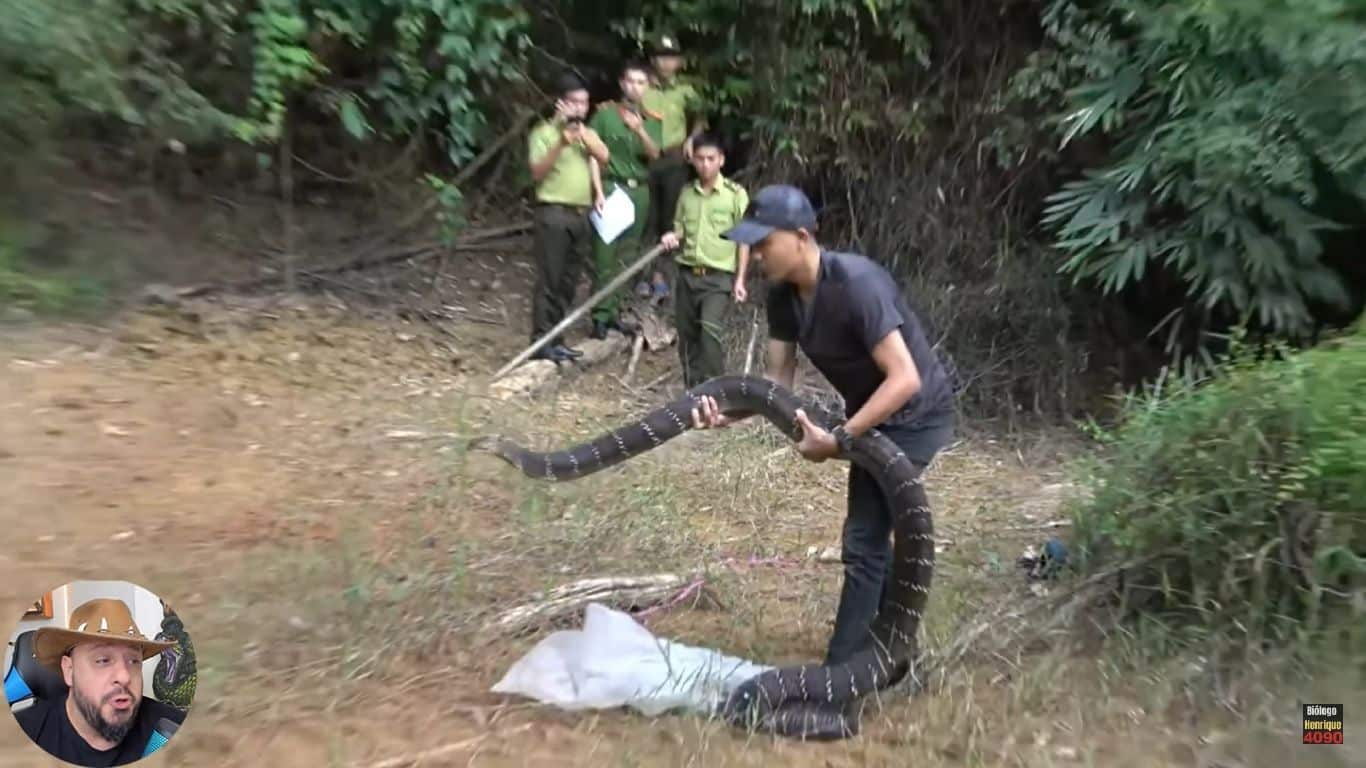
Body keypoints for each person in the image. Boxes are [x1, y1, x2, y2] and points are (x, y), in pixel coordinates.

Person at [689, 184, 956, 667]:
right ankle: (893, 648)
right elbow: (775, 383)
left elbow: (905, 378)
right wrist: (729, 415)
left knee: (863, 539)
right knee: (872, 533)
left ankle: (845, 668)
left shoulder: (856, 283)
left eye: (763, 243)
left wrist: (841, 439)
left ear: (801, 236)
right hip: (872, 415)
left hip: (916, 416)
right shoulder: (783, 299)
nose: (755, 255)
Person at [16, 598, 186, 766]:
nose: (124, 677)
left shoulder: (175, 731)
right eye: (103, 660)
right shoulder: (24, 734)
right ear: (69, 670)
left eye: (134, 661)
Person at [527, 71, 610, 362]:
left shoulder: (586, 135)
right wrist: (561, 142)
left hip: (580, 214)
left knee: (569, 281)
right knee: (550, 279)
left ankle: (556, 338)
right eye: (573, 102)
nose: (579, 108)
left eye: (584, 103)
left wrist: (582, 134)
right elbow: (537, 173)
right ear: (560, 103)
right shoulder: (543, 133)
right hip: (553, 212)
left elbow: (604, 157)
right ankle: (541, 342)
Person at [658, 133, 750, 388]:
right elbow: (680, 230)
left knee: (710, 333)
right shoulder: (687, 194)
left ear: (721, 160)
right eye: (700, 159)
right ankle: (694, 392)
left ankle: (717, 393)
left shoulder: (735, 195)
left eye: (711, 159)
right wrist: (671, 237)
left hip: (718, 277)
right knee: (687, 337)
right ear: (693, 161)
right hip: (687, 274)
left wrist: (740, 280)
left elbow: (745, 239)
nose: (705, 165)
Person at [587, 61, 664, 340]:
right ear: (622, 83)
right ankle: (599, 317)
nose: (635, 87)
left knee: (627, 257)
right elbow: (593, 154)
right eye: (630, 81)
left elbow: (654, 154)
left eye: (641, 82)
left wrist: (640, 129)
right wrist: (597, 191)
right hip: (611, 188)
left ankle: (616, 312)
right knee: (604, 254)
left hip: (639, 192)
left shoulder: (653, 119)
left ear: (648, 86)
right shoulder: (605, 116)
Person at [641, 33, 706, 300]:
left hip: (675, 159)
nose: (666, 63)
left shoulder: (686, 91)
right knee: (646, 216)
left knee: (670, 218)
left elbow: (701, 118)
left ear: (678, 62)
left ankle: (660, 276)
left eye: (671, 58)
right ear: (653, 60)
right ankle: (641, 275)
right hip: (644, 159)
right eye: (661, 58)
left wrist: (692, 139)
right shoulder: (642, 88)